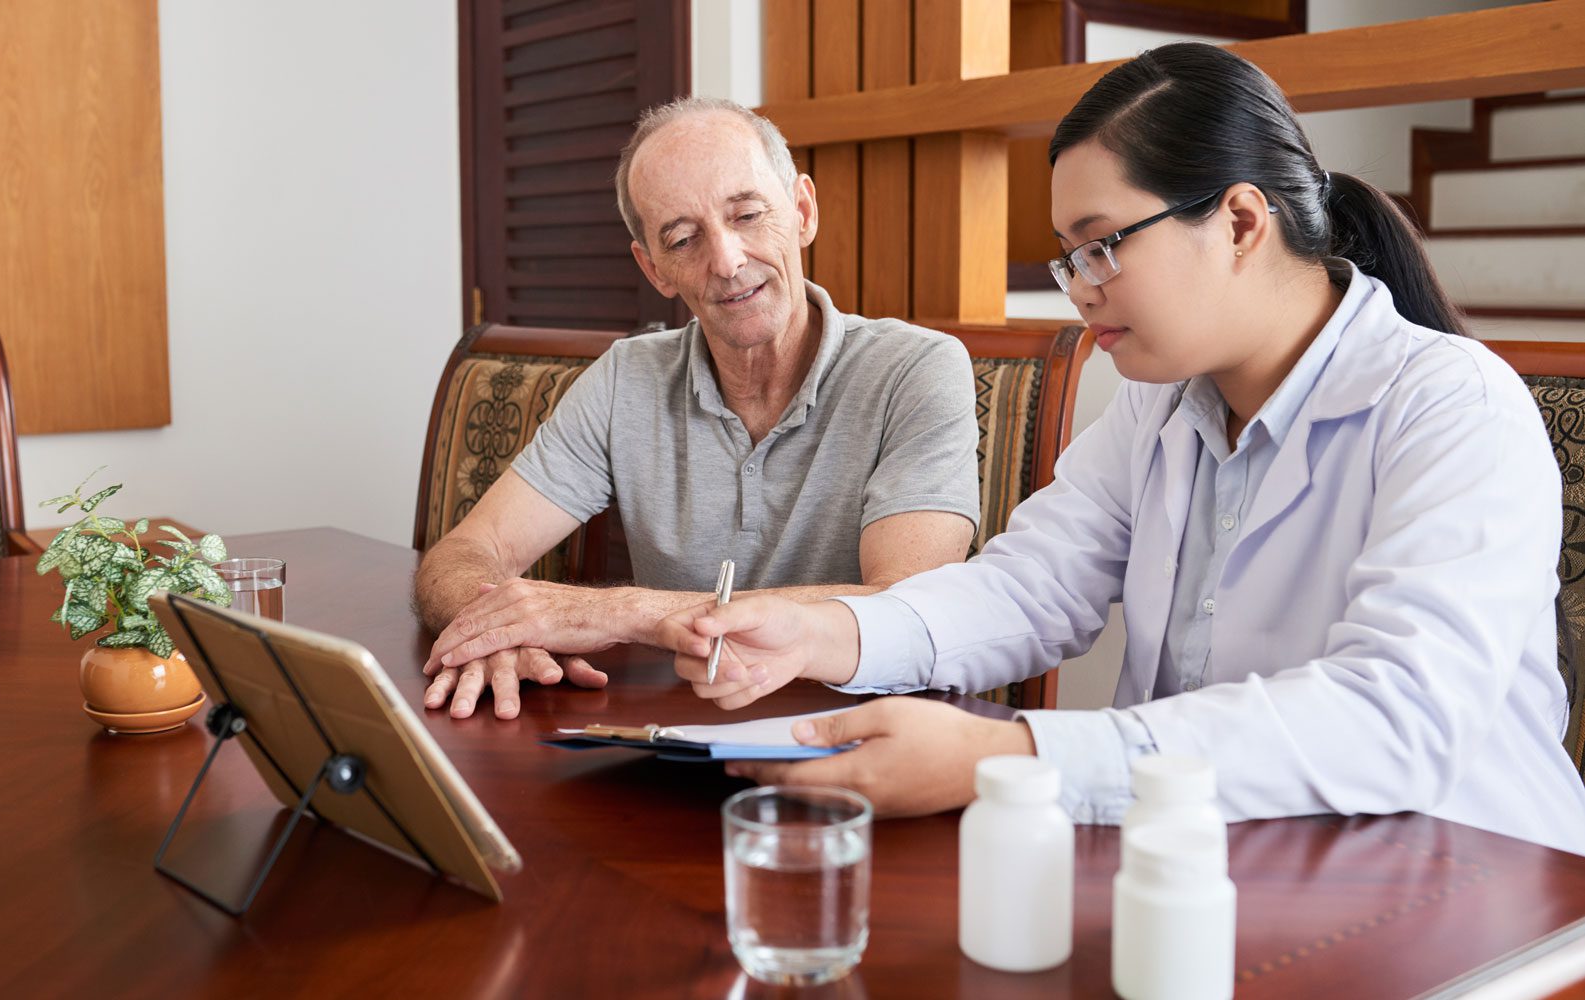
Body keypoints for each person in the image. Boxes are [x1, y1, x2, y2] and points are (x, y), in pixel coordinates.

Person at [656, 43, 1585, 855]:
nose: (1079, 291)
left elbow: (1395, 717)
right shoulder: (1162, 406)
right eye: (1066, 258)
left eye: (1100, 248)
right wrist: (817, 632)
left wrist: (1011, 754)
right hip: (1223, 861)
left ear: (1239, 222)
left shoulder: (1451, 406)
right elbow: (1027, 587)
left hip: (1460, 878)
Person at [414, 97, 982, 720]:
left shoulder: (917, 369)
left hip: (861, 732)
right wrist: (495, 632)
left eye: (747, 215)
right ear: (653, 268)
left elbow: (905, 601)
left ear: (802, 211)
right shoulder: (625, 378)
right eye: (684, 239)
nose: (727, 261)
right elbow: (462, 554)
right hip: (676, 735)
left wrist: (620, 612)